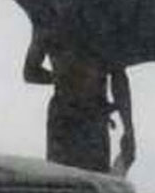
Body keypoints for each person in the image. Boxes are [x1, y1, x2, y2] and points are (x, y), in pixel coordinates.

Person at [23, 25, 135, 176]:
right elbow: (30, 72)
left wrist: (128, 129)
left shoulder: (50, 22)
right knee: (70, 182)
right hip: (71, 116)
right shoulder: (104, 24)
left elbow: (119, 78)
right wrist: (128, 128)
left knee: (78, 183)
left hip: (88, 115)